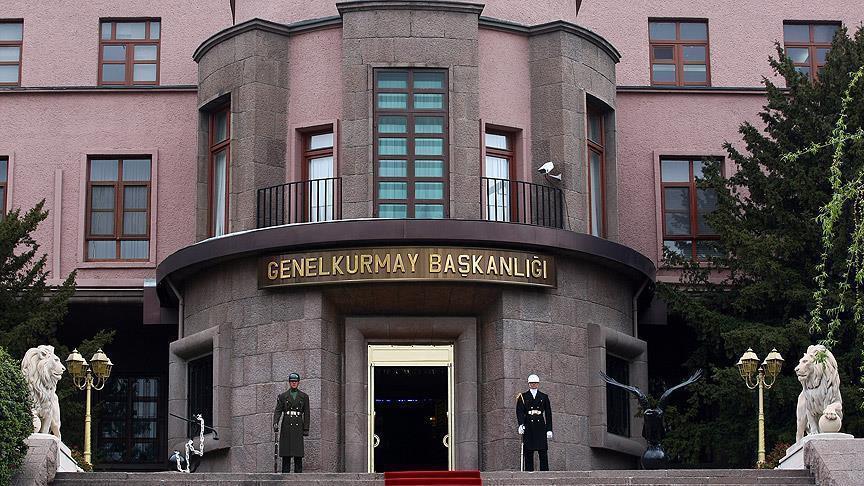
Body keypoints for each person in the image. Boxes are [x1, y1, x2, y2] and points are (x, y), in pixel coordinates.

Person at [273, 372, 310, 473]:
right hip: (286, 425)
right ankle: (285, 476)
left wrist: (306, 428)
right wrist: (275, 422)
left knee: (298, 454)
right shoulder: (283, 396)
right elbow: (278, 411)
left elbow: (307, 413)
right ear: (289, 382)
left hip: (298, 426)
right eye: (292, 381)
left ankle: (298, 477)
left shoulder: (304, 396)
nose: (294, 383)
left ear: (298, 382)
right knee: (286, 454)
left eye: (295, 381)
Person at [516, 373, 553, 471]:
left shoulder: (544, 397)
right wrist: (521, 424)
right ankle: (529, 472)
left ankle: (545, 472)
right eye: (531, 383)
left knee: (543, 451)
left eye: (535, 383)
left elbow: (548, 414)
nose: (533, 384)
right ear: (528, 384)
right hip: (528, 425)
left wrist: (549, 429)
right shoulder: (523, 396)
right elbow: (520, 412)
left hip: (540, 426)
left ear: (538, 383)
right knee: (528, 451)